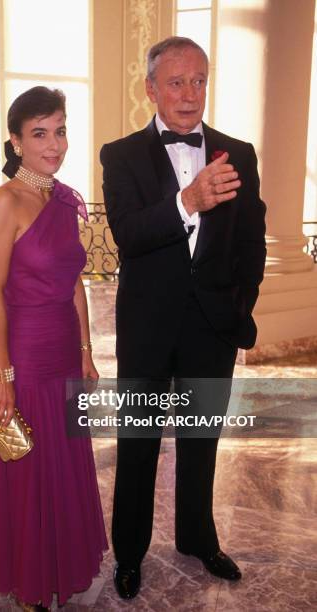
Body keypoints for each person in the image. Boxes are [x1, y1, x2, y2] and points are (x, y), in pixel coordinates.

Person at [100, 37, 266, 599]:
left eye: (199, 80)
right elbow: (128, 234)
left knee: (202, 442)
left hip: (212, 329)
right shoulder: (120, 155)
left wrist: (239, 306)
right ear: (150, 88)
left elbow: (250, 242)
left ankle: (198, 537)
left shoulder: (238, 152)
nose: (189, 93)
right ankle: (129, 553)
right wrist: (187, 200)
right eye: (176, 82)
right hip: (148, 329)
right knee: (138, 445)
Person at [0, 86, 108, 611]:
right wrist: (2, 377)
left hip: (61, 354)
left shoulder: (62, 198)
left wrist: (86, 350)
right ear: (16, 141)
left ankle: (60, 565)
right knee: (27, 469)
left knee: (63, 464)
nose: (54, 145)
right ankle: (30, 583)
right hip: (22, 361)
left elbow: (74, 281)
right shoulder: (2, 201)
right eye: (39, 134)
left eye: (60, 130)